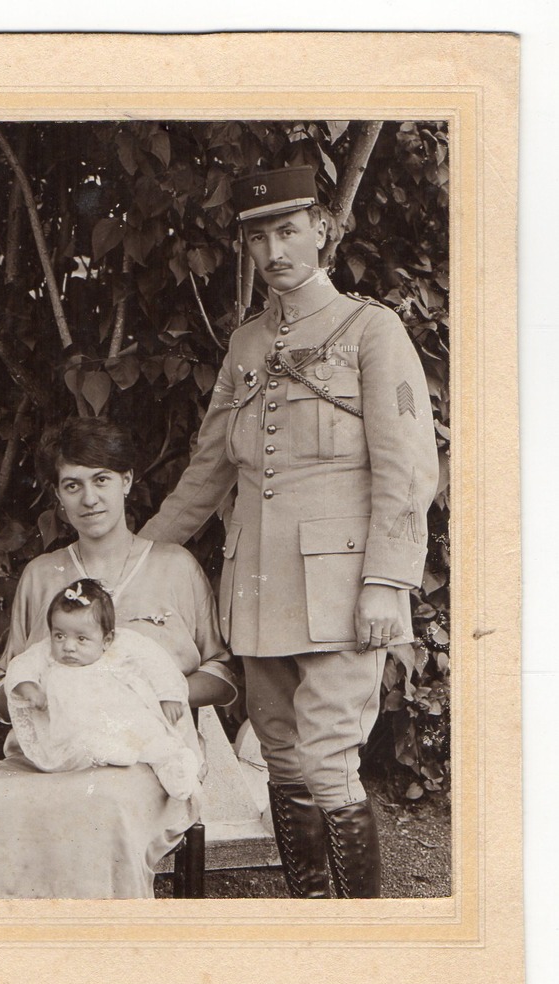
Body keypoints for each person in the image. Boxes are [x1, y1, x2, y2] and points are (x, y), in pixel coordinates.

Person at [141, 165, 439, 898]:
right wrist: (137, 557)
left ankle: (359, 937)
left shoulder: (372, 330)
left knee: (331, 758)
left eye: (287, 230)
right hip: (259, 588)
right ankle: (308, 915)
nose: (274, 249)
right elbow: (210, 468)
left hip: (343, 591)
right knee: (280, 757)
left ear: (322, 233)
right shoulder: (246, 345)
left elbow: (407, 470)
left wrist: (385, 583)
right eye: (258, 237)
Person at [0, 418, 235, 900]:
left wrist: (155, 694)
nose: (89, 498)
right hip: (53, 753)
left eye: (101, 480)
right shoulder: (40, 575)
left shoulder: (175, 567)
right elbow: (3, 681)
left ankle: (108, 956)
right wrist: (33, 695)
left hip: (146, 757)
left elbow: (221, 673)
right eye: (72, 485)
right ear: (58, 496)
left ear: (127, 481)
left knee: (101, 809)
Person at [5, 577, 201, 801]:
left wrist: (169, 695)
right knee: (82, 744)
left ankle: (172, 771)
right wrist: (27, 685)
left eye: (81, 638)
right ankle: (108, 755)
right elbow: (21, 665)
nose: (68, 646)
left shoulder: (121, 644)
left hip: (122, 719)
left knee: (154, 738)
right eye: (59, 636)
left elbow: (155, 661)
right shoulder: (45, 653)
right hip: (74, 730)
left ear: (106, 640)